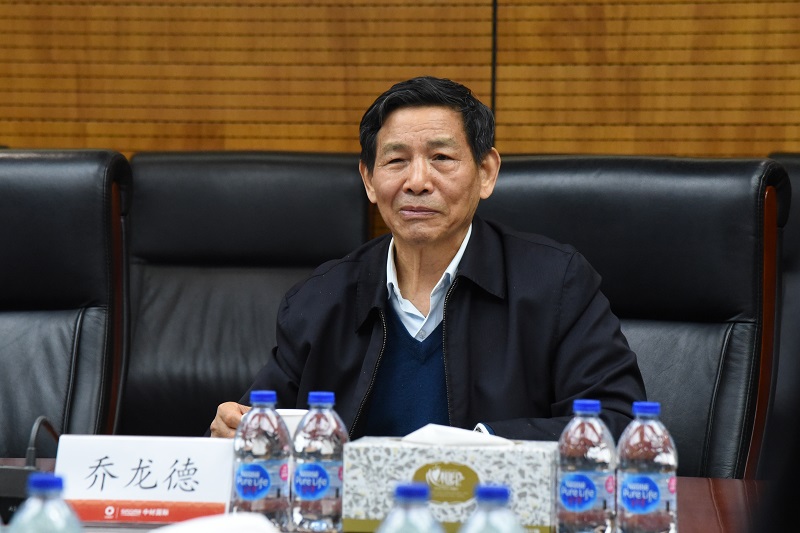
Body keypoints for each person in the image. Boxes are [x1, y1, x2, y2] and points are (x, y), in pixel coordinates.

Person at [209, 76, 646, 441]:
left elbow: (619, 424)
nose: (417, 181)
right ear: (369, 180)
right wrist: (236, 431)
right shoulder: (319, 299)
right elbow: (260, 423)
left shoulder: (556, 284)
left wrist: (478, 447)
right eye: (396, 160)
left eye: (441, 158)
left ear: (487, 173)